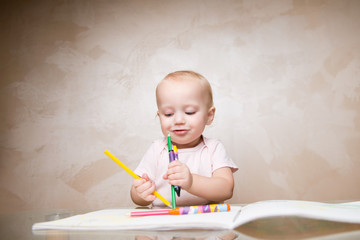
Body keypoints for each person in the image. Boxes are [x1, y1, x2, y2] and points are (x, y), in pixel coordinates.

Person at [131, 70, 238, 207]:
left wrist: (192, 181)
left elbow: (226, 190)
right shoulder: (157, 149)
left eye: (189, 112)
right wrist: (140, 193)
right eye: (168, 114)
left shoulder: (213, 148)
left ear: (209, 115)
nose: (178, 120)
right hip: (164, 222)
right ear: (159, 116)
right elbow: (137, 197)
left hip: (206, 221)